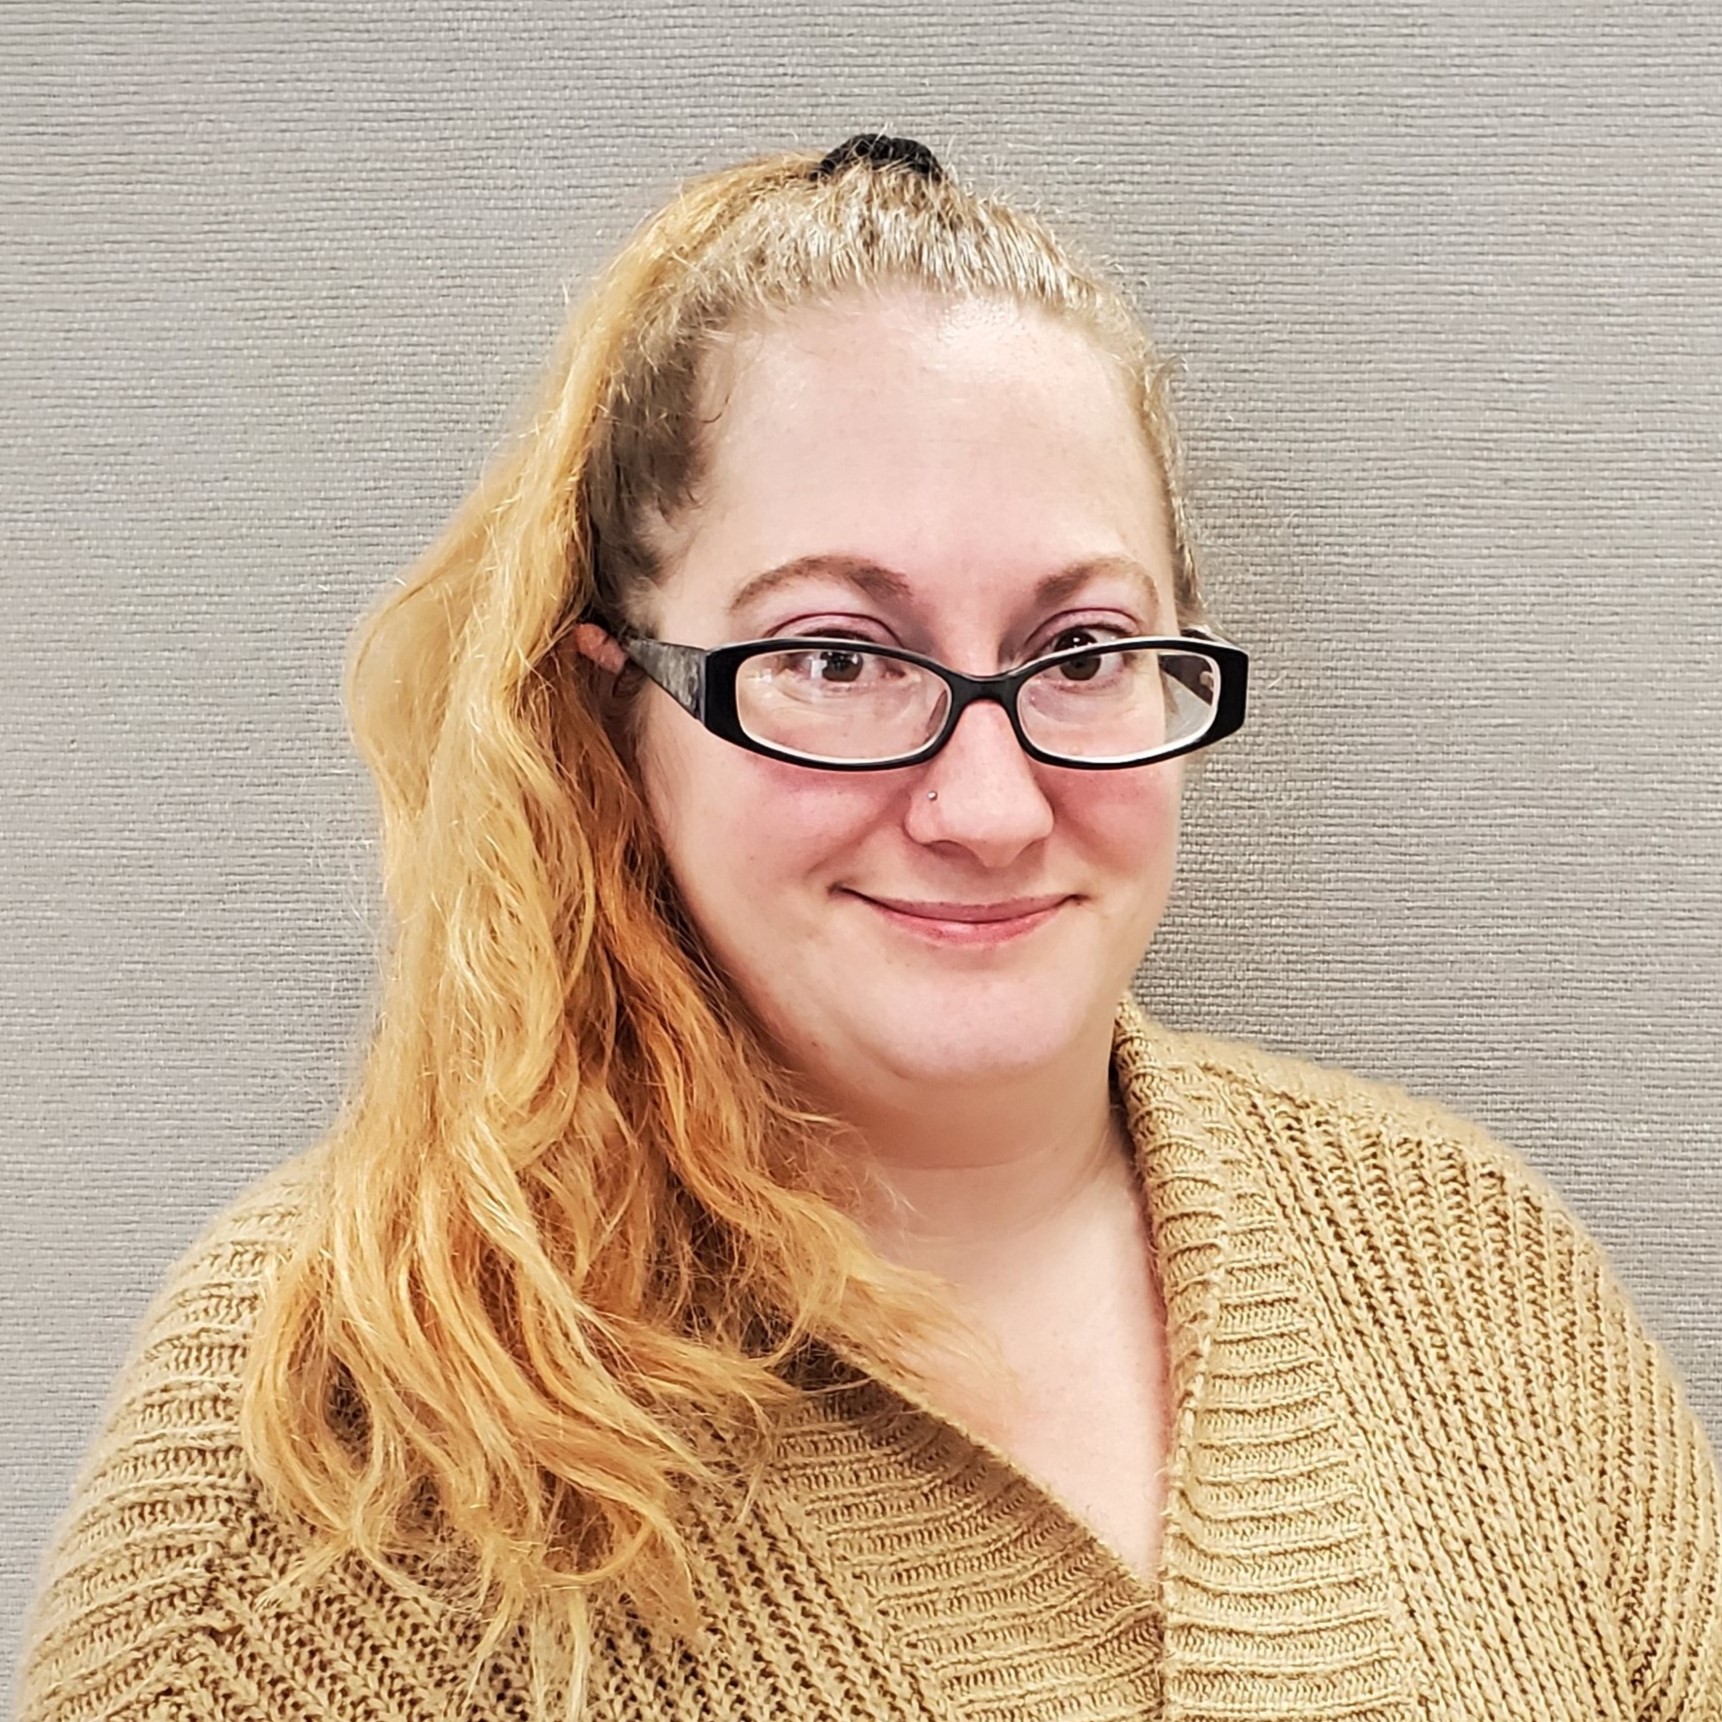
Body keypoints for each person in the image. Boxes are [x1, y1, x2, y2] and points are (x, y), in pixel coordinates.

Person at [17, 133, 1720, 1722]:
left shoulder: (1476, 1284)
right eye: (838, 658)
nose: (986, 805)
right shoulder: (330, 1419)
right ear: (614, 705)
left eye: (1080, 651)